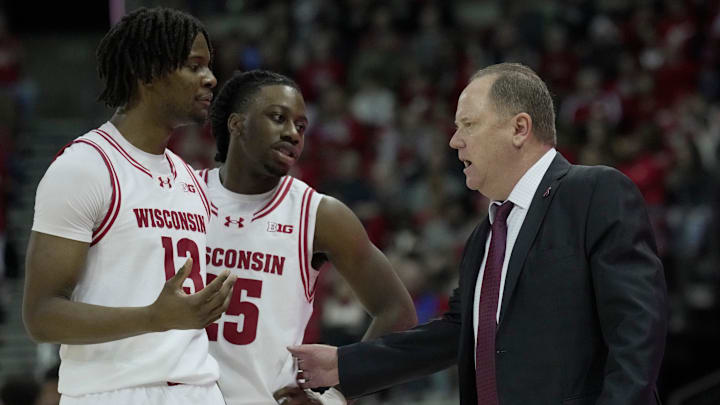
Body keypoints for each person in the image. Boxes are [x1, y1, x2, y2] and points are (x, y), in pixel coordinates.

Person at [288, 62, 668, 405]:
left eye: (468, 124)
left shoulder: (594, 192)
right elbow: (456, 333)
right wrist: (344, 363)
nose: (454, 140)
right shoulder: (486, 235)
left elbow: (637, 330)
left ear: (519, 128)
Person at [22, 7, 235, 405]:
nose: (210, 78)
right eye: (194, 66)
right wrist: (154, 317)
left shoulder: (189, 177)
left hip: (197, 390)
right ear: (149, 72)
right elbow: (41, 315)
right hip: (111, 392)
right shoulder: (85, 167)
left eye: (209, 66)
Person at [198, 69, 417, 405]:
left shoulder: (320, 215)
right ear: (236, 124)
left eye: (301, 126)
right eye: (278, 118)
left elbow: (397, 312)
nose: (293, 133)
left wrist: (335, 396)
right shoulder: (182, 194)